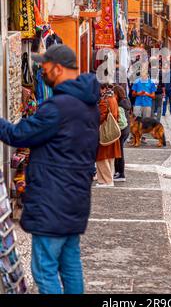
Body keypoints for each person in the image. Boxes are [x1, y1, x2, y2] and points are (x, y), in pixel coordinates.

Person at [0, 45, 100, 294]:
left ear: (57, 68)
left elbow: (18, 134)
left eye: (44, 68)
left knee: (44, 271)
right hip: (75, 199)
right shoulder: (87, 105)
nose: (40, 72)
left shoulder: (58, 108)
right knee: (70, 267)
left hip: (52, 200)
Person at [96, 84, 122, 187]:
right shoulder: (113, 98)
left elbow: (101, 117)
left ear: (103, 88)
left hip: (105, 131)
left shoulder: (104, 100)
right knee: (110, 156)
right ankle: (107, 179)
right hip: (112, 130)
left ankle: (106, 180)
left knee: (101, 157)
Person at [113, 85, 131, 182]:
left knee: (119, 152)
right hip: (126, 129)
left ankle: (121, 173)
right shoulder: (126, 101)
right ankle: (118, 172)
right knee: (119, 151)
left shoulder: (120, 104)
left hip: (122, 129)